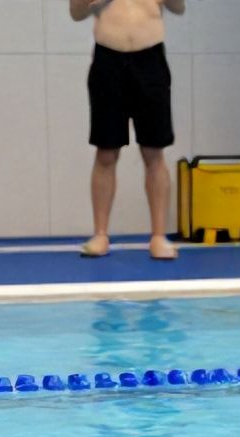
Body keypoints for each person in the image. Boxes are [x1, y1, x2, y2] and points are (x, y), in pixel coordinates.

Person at [70, 0, 185, 260]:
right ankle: (100, 234)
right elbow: (75, 13)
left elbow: (179, 8)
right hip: (107, 61)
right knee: (106, 152)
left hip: (150, 60)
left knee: (154, 152)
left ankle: (158, 236)